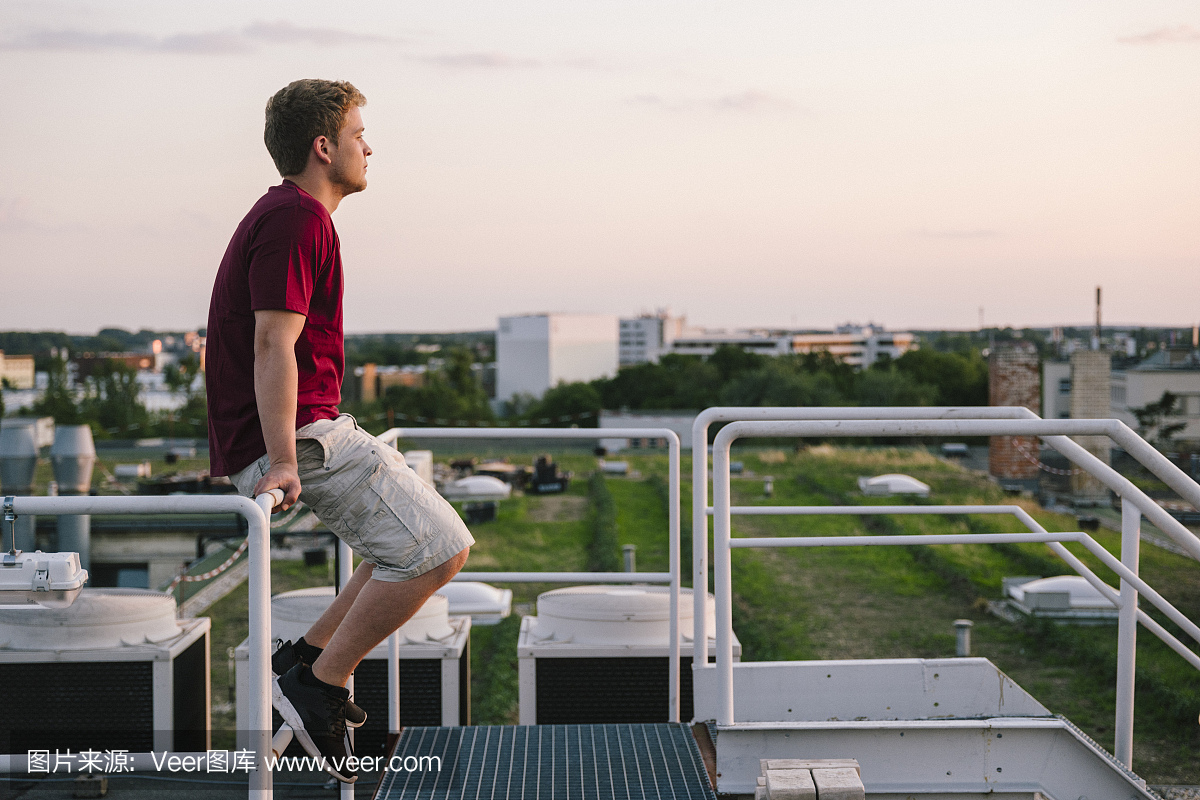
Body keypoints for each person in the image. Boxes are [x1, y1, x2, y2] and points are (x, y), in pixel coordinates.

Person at [205, 79, 473, 784]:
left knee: (400, 544)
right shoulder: (298, 218)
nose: (369, 146)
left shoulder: (289, 214)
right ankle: (320, 683)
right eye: (359, 134)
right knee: (440, 549)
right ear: (323, 148)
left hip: (304, 430)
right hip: (300, 437)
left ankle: (305, 659)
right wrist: (285, 460)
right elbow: (272, 345)